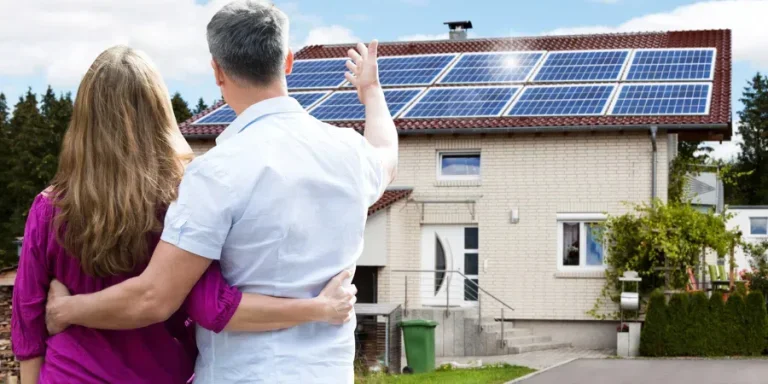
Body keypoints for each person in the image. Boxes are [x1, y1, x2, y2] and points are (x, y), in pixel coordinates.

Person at [45, 0, 397, 382]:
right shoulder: (349, 152)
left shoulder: (216, 173)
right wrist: (372, 92)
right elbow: (386, 155)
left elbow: (154, 298)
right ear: (289, 61)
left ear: (217, 71)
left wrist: (67, 309)